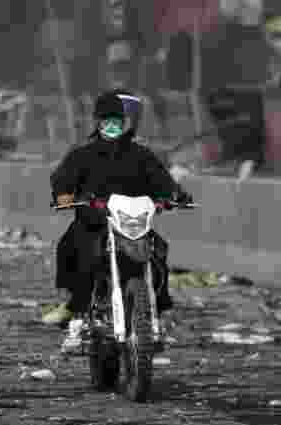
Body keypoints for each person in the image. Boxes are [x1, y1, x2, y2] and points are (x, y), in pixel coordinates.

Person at [49, 89, 192, 354]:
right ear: (98, 123)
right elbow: (62, 179)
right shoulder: (83, 154)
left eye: (117, 120)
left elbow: (162, 180)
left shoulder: (141, 155)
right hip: (94, 223)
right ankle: (77, 314)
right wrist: (64, 195)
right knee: (75, 248)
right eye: (106, 120)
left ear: (124, 123)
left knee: (158, 250)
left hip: (133, 224)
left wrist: (175, 195)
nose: (112, 125)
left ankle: (159, 311)